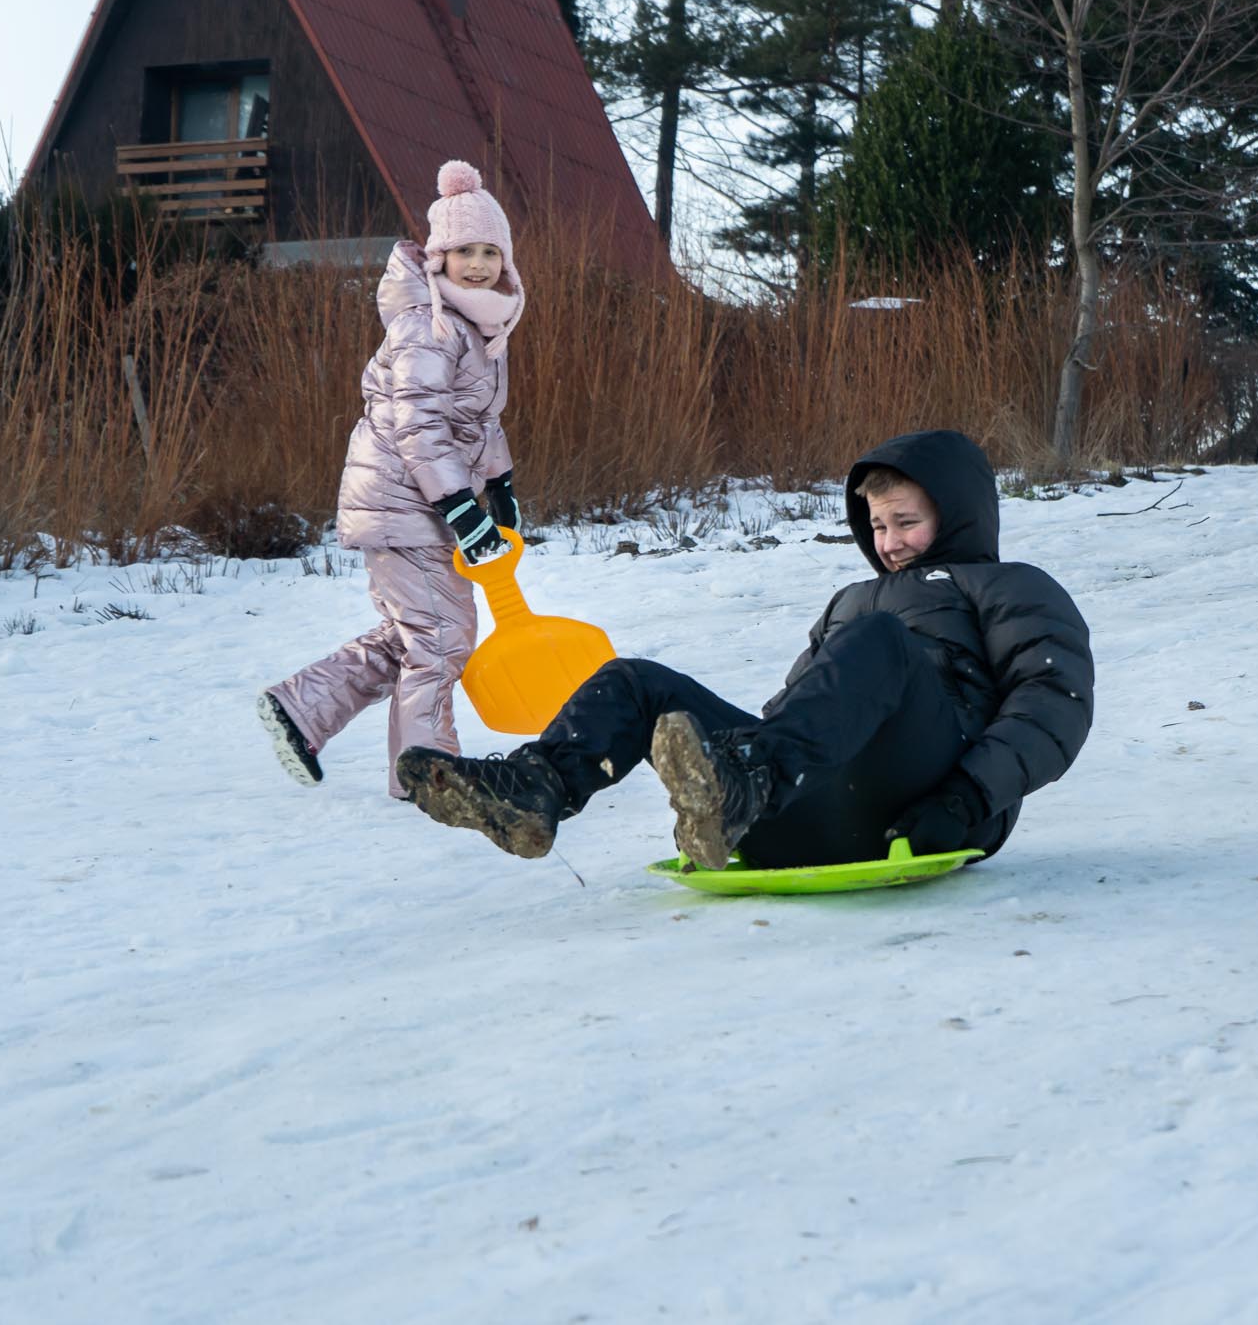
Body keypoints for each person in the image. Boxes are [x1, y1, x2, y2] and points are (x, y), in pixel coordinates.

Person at [395, 429, 1094, 869]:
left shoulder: (1010, 587)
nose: (888, 542)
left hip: (934, 798)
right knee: (635, 680)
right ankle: (537, 790)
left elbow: (1052, 700)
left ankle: (748, 784)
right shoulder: (851, 601)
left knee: (880, 639)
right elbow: (801, 711)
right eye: (878, 525)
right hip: (813, 806)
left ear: (958, 512)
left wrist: (969, 799)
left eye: (905, 521)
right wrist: (726, 756)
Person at [257, 160, 526, 799]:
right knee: (441, 638)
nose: (478, 264)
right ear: (439, 257)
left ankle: (304, 709)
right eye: (464, 251)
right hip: (404, 501)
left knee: (419, 632)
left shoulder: (479, 325)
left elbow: (477, 424)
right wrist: (461, 507)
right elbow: (419, 426)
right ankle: (431, 776)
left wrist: (501, 486)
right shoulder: (427, 325)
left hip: (420, 502)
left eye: (490, 252)